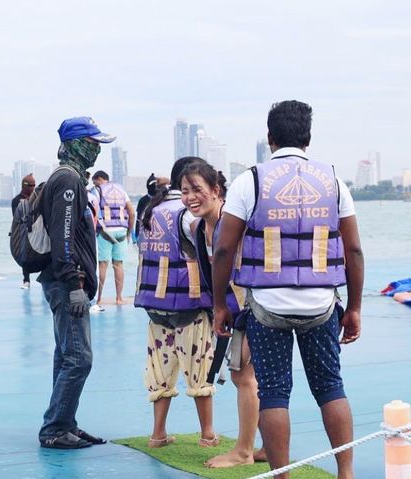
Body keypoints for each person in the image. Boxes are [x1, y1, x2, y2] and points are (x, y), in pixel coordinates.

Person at [212, 100, 364, 479]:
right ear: (308, 138)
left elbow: (224, 249)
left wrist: (219, 304)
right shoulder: (333, 181)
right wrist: (356, 307)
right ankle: (346, 473)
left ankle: (282, 476)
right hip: (321, 305)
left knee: (275, 392)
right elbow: (354, 249)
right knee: (330, 387)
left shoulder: (251, 181)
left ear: (270, 138)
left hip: (268, 308)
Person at [179, 161, 266, 468]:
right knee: (261, 378)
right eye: (184, 191)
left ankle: (243, 452)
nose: (190, 197)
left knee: (244, 375)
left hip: (258, 304)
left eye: (197, 190)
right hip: (237, 309)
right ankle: (267, 445)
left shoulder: (236, 219)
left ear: (216, 191)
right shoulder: (196, 227)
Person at [37, 116, 115, 449]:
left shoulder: (68, 179)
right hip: (68, 284)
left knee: (66, 355)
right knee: (79, 358)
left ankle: (64, 422)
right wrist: (74, 285)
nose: (97, 149)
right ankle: (54, 429)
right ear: (75, 144)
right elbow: (63, 237)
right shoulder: (68, 181)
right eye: (92, 142)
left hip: (64, 282)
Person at [135, 157, 219, 449]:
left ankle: (157, 434)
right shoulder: (186, 215)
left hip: (155, 306)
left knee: (159, 369)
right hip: (188, 305)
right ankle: (207, 434)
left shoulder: (149, 210)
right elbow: (209, 244)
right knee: (200, 369)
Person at [92, 170, 135, 305]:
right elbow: (132, 212)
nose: (94, 184)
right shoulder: (121, 190)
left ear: (99, 179)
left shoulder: (97, 190)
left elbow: (93, 212)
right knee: (119, 265)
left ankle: (99, 298)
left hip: (105, 232)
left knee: (102, 265)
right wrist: (129, 232)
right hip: (122, 231)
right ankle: (119, 298)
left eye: (94, 181)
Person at [11, 173, 36, 289]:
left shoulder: (36, 198)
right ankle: (26, 280)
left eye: (34, 185)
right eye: (31, 185)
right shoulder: (16, 200)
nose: (33, 188)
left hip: (36, 230)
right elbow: (16, 218)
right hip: (22, 232)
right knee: (24, 255)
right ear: (24, 186)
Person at [135, 173, 169, 241]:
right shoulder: (143, 201)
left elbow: (138, 220)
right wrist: (136, 235)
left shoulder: (166, 200)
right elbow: (138, 220)